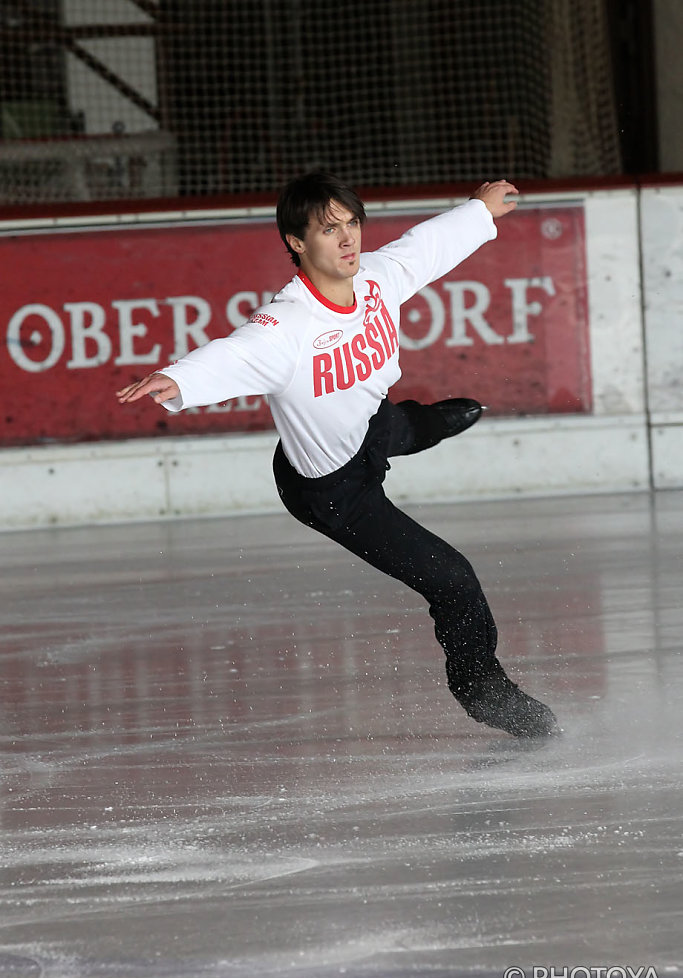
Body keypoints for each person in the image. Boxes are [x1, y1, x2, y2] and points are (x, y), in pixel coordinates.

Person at [117, 170, 559, 739]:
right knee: (453, 579)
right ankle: (483, 690)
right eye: (330, 230)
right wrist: (176, 378)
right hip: (332, 492)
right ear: (297, 243)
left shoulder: (375, 278)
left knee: (413, 422)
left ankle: (426, 423)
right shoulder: (288, 327)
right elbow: (233, 354)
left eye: (352, 224)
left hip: (371, 430)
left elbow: (425, 249)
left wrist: (479, 210)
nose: (349, 239)